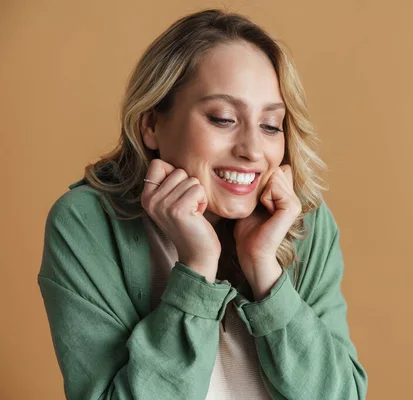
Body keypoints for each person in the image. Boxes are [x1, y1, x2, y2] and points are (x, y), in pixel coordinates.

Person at [38, 8, 367, 400]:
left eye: (270, 126)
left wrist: (265, 269)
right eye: (223, 118)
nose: (252, 151)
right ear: (151, 124)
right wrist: (196, 269)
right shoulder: (86, 224)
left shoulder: (302, 223)